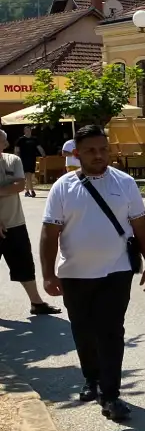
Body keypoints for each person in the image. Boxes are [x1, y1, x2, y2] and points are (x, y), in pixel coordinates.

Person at [39, 125, 145, 421]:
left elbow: (140, 225)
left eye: (103, 149)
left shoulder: (125, 182)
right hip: (75, 274)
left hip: (116, 271)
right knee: (83, 330)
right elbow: (49, 232)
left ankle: (111, 395)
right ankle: (91, 378)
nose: (99, 155)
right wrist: (48, 274)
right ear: (77, 154)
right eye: (91, 151)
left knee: (111, 331)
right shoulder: (63, 187)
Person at [0, 130, 61, 317]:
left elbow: (20, 185)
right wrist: (7, 188)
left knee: (24, 264)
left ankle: (36, 303)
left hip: (15, 223)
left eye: (2, 140)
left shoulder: (12, 161)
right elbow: (14, 186)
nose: (4, 142)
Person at [14, 126, 45, 197]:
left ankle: (27, 191)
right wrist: (16, 158)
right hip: (24, 160)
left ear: (31, 131)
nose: (28, 131)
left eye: (29, 130)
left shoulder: (34, 139)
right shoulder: (21, 139)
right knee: (28, 175)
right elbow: (16, 150)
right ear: (24, 131)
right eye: (26, 130)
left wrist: (43, 154)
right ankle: (32, 191)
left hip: (32, 159)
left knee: (30, 176)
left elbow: (39, 147)